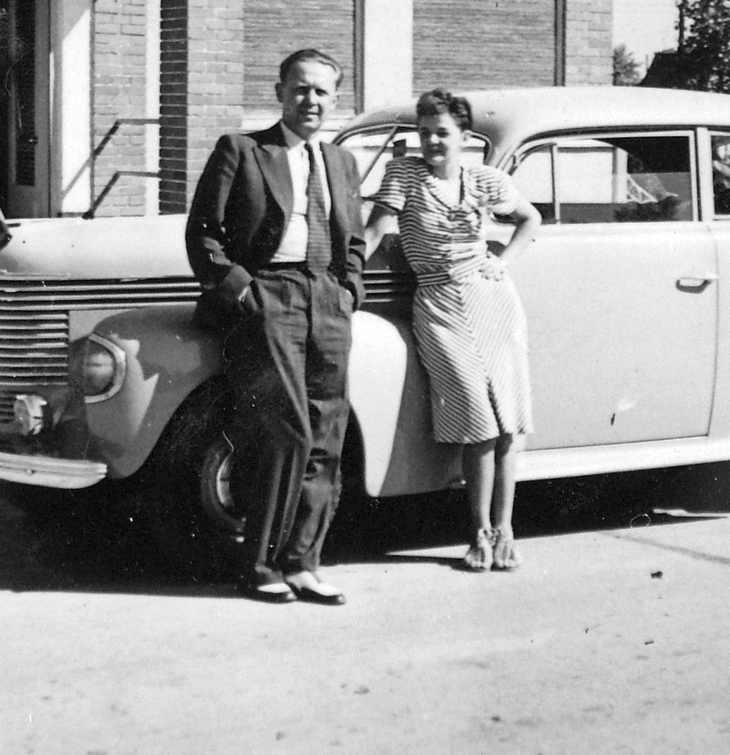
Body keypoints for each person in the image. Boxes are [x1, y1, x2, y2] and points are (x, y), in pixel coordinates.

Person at [185, 48, 367, 605]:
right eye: (300, 89)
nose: (310, 100)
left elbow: (354, 241)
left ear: (336, 99)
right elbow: (204, 233)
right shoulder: (243, 150)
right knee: (285, 429)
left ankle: (304, 563)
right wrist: (245, 291)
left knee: (327, 434)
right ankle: (260, 564)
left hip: (327, 299)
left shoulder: (341, 162)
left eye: (322, 92)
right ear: (280, 92)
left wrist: (348, 289)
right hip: (269, 296)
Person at [364, 88, 542, 571]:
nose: (432, 142)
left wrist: (503, 263)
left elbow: (529, 219)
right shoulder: (404, 173)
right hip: (439, 303)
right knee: (476, 420)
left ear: (463, 137)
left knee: (507, 420)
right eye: (424, 134)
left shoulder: (483, 178)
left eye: (441, 133)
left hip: (492, 300)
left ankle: (503, 532)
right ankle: (478, 532)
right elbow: (378, 229)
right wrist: (344, 265)